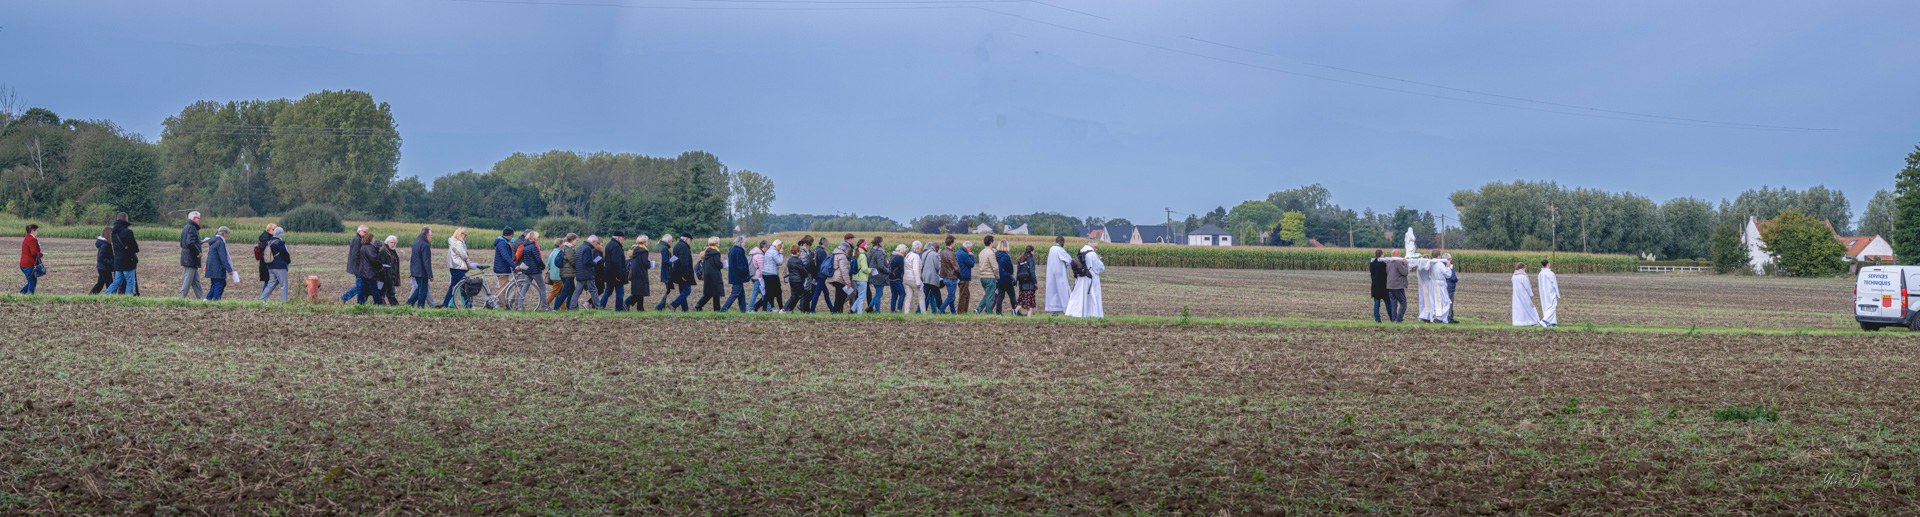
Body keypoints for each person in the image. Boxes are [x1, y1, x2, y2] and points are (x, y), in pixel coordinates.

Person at [1064, 240, 1106, 318]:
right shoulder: (1092, 254)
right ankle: (1093, 314)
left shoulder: (1081, 251)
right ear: (1094, 246)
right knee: (1092, 296)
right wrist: (1099, 260)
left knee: (1079, 296)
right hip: (1091, 278)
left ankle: (1075, 313)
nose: (1096, 249)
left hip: (1081, 277)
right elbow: (1100, 267)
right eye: (1096, 247)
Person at [106, 213, 141, 295]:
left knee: (116, 282)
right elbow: (135, 248)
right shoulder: (128, 232)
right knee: (130, 282)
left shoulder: (113, 233)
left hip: (118, 261)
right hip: (128, 262)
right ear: (126, 219)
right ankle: (128, 299)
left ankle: (106, 295)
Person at [338, 225, 371, 303]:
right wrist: (360, 268)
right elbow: (355, 255)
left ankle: (346, 299)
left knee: (362, 285)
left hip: (359, 267)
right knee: (360, 286)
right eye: (364, 232)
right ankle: (345, 299)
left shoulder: (360, 239)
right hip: (358, 268)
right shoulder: (357, 240)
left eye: (367, 232)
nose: (366, 234)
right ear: (359, 231)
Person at [259, 227, 291, 302]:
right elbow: (285, 254)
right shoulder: (279, 243)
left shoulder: (269, 242)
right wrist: (288, 261)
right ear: (281, 234)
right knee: (284, 285)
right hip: (280, 267)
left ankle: (262, 299)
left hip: (271, 267)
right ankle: (284, 301)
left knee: (271, 284)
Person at [442, 228, 471, 308]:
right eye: (465, 235)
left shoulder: (453, 242)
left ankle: (446, 304)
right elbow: (464, 255)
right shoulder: (458, 243)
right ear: (461, 234)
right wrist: (469, 264)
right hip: (459, 267)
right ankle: (468, 306)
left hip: (453, 267)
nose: (466, 237)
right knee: (464, 287)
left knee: (453, 287)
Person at [405, 227, 434, 308]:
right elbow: (426, 261)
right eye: (430, 235)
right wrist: (430, 275)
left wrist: (412, 272)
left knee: (419, 289)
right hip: (422, 272)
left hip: (416, 271)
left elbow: (412, 258)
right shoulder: (425, 245)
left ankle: (409, 304)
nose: (431, 237)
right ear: (426, 235)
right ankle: (420, 307)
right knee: (423, 291)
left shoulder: (416, 242)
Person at [1512, 262, 1548, 327]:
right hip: (1524, 295)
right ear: (1522, 268)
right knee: (1530, 308)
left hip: (1516, 295)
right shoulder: (1523, 276)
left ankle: (1518, 322)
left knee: (1519, 308)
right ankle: (1534, 321)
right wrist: (1531, 294)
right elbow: (1527, 286)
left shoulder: (1514, 276)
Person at [179, 211, 204, 299]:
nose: (199, 220)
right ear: (194, 218)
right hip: (191, 259)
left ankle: (201, 299)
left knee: (196, 281)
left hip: (188, 258)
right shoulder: (192, 228)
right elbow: (190, 243)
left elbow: (183, 243)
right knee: (187, 280)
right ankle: (181, 298)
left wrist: (198, 242)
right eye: (198, 218)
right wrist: (198, 252)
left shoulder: (186, 227)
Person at [600, 232, 629, 310]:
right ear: (618, 238)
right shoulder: (616, 246)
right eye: (622, 238)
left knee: (608, 291)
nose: (623, 240)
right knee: (620, 292)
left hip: (609, 273)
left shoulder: (609, 244)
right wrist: (618, 275)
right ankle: (619, 308)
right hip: (615, 274)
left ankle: (601, 306)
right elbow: (616, 262)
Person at [204, 226, 233, 301]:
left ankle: (208, 299)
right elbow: (223, 257)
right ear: (224, 233)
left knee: (217, 284)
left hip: (211, 267)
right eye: (227, 234)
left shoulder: (214, 241)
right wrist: (229, 269)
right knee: (219, 284)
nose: (228, 236)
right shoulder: (220, 242)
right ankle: (216, 301)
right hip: (217, 268)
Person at [722, 236, 751, 313]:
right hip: (738, 276)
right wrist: (746, 273)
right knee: (734, 294)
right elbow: (740, 265)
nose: (745, 244)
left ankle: (743, 311)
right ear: (740, 242)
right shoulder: (739, 251)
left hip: (734, 275)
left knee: (741, 295)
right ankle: (723, 310)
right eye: (744, 242)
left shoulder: (732, 249)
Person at [696, 237, 725, 311]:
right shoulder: (716, 252)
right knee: (716, 293)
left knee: (709, 293)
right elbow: (718, 265)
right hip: (715, 275)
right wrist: (723, 264)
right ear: (716, 243)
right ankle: (716, 309)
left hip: (708, 275)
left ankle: (699, 305)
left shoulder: (706, 251)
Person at [1045, 236, 1071, 315]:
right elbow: (1068, 259)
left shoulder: (1051, 249)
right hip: (1060, 274)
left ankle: (1054, 310)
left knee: (1053, 292)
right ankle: (1068, 310)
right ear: (1062, 241)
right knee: (1063, 292)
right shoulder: (1060, 250)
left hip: (1051, 274)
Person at [575, 234, 603, 309]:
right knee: (594, 290)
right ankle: (598, 306)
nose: (596, 245)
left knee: (577, 292)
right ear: (593, 241)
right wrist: (594, 263)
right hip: (587, 274)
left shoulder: (580, 247)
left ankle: (572, 306)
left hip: (580, 273)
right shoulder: (587, 248)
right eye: (596, 243)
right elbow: (586, 262)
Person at [351, 233, 380, 304]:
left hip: (363, 272)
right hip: (369, 272)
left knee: (362, 289)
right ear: (370, 239)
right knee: (374, 289)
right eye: (373, 238)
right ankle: (378, 303)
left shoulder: (363, 247)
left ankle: (360, 303)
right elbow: (374, 259)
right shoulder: (370, 247)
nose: (374, 239)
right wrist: (380, 265)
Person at [973, 236, 999, 314]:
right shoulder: (991, 253)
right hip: (990, 276)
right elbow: (995, 267)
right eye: (994, 241)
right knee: (990, 296)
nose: (994, 242)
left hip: (982, 277)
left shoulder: (981, 252)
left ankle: (978, 310)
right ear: (991, 242)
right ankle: (989, 312)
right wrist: (997, 276)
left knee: (987, 295)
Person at [669, 235, 694, 311]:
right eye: (690, 240)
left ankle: (685, 309)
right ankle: (673, 304)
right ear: (686, 239)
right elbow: (684, 262)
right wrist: (685, 275)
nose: (690, 242)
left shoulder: (677, 245)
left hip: (677, 272)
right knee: (687, 290)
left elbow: (675, 259)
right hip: (683, 273)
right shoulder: (684, 247)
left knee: (683, 291)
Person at [1384, 250, 1410, 323]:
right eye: (1399, 254)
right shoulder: (1398, 262)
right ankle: (1399, 319)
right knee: (1403, 302)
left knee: (1393, 304)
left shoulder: (1388, 262)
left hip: (1390, 285)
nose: (1400, 255)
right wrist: (1405, 264)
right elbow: (1405, 272)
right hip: (1397, 285)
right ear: (1397, 254)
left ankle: (1393, 319)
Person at [783, 242, 810, 313]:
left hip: (791, 280)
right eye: (799, 251)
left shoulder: (790, 260)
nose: (800, 253)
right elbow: (803, 270)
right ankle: (803, 311)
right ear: (797, 252)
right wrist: (806, 274)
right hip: (798, 280)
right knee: (803, 295)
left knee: (794, 296)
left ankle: (787, 309)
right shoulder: (798, 260)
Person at [866, 236, 889, 313]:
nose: (883, 243)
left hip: (872, 274)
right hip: (879, 276)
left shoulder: (871, 251)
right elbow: (881, 266)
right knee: (879, 294)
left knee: (878, 293)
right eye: (882, 241)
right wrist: (888, 271)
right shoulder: (880, 252)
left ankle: (878, 311)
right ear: (879, 243)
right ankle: (870, 307)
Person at [628, 235, 652, 311]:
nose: (648, 243)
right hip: (641, 273)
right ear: (644, 242)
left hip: (635, 272)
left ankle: (640, 307)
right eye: (647, 241)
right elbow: (645, 263)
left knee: (639, 291)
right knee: (640, 291)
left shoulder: (634, 249)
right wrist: (650, 264)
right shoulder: (644, 251)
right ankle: (626, 303)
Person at [826, 243, 852, 313]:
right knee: (840, 297)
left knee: (840, 296)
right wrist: (848, 282)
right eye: (847, 249)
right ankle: (835, 312)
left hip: (835, 278)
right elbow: (844, 270)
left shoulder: (835, 254)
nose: (848, 251)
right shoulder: (842, 256)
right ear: (845, 249)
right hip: (840, 278)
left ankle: (839, 312)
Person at [938, 236, 960, 314]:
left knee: (951, 296)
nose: (955, 244)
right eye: (954, 242)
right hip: (951, 277)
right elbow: (956, 267)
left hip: (945, 277)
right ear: (951, 243)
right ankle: (941, 310)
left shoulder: (943, 252)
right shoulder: (951, 253)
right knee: (951, 297)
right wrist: (960, 275)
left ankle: (953, 312)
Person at [654, 233, 676, 311]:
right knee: (668, 289)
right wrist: (674, 259)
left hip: (665, 272)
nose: (672, 242)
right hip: (667, 272)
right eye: (672, 241)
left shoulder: (663, 247)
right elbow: (666, 262)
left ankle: (661, 306)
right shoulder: (665, 249)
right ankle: (659, 306)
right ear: (669, 241)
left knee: (668, 289)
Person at [18, 224, 42, 295]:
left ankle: (20, 294)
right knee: (32, 281)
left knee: (31, 281)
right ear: (32, 230)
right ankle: (29, 297)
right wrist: (41, 254)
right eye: (36, 230)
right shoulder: (32, 239)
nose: (37, 232)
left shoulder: (27, 238)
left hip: (24, 264)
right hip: (28, 265)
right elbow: (34, 253)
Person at [993, 241, 1016, 315]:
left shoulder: (995, 255)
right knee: (1012, 295)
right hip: (1006, 278)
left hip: (998, 278)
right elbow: (1011, 269)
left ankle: (998, 312)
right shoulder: (1006, 256)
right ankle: (1015, 311)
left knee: (1000, 295)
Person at [902, 241, 925, 314]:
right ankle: (923, 313)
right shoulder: (916, 256)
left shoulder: (907, 255)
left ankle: (906, 312)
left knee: (908, 296)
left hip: (906, 278)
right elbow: (916, 269)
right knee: (921, 295)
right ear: (917, 247)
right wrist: (918, 282)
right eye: (920, 248)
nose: (920, 249)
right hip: (913, 279)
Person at [920, 242, 942, 314]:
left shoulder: (924, 253)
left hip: (925, 277)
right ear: (937, 248)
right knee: (937, 295)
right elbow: (937, 267)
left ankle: (921, 310)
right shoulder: (935, 254)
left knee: (924, 296)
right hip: (932, 278)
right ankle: (940, 310)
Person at [1015, 245, 1038, 316]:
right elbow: (1032, 272)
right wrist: (1035, 282)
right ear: (1031, 251)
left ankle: (1029, 317)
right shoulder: (1031, 259)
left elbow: (1018, 271)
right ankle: (1015, 311)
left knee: (1024, 300)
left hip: (1022, 283)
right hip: (1029, 283)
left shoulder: (1021, 258)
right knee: (1028, 301)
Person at [379, 235, 402, 305]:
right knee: (389, 292)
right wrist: (387, 274)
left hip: (390, 275)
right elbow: (382, 264)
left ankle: (379, 303)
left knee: (385, 292)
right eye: (391, 242)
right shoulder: (383, 250)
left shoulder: (391, 250)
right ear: (387, 242)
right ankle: (395, 305)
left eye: (394, 243)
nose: (393, 244)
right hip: (386, 276)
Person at [91, 226, 113, 294]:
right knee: (110, 283)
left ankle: (91, 295)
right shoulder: (105, 245)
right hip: (104, 268)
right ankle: (111, 296)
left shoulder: (104, 244)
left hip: (102, 267)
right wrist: (111, 262)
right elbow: (101, 258)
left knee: (100, 283)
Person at [492, 227, 516, 292]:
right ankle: (502, 302)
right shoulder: (502, 244)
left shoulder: (502, 242)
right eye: (512, 236)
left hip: (501, 268)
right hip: (502, 269)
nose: (512, 238)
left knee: (501, 287)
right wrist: (514, 266)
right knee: (502, 289)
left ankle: (499, 301)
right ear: (510, 235)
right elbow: (506, 256)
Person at [1368, 250, 1389, 323]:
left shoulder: (1372, 263)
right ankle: (1392, 318)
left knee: (1376, 304)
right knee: (1388, 303)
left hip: (1375, 285)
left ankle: (1377, 319)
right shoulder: (1383, 263)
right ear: (1382, 255)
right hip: (1383, 286)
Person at [1538, 259, 1560, 327]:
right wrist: (1558, 294)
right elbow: (1555, 284)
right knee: (1552, 306)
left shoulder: (1540, 273)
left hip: (1543, 293)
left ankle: (1552, 323)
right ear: (1547, 264)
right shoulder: (1550, 273)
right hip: (1550, 292)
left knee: (1546, 307)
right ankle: (1544, 320)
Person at [850, 242, 870, 314]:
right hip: (862, 278)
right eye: (866, 244)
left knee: (860, 296)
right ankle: (859, 313)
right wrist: (870, 270)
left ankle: (852, 309)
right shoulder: (863, 256)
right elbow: (864, 269)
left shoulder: (854, 254)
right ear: (863, 246)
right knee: (861, 297)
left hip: (855, 278)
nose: (867, 245)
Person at [955, 240, 975, 313]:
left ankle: (963, 311)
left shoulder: (958, 252)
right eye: (970, 248)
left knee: (965, 294)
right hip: (964, 277)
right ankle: (961, 312)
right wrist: (971, 255)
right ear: (968, 247)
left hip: (959, 277)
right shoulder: (964, 254)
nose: (971, 249)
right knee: (964, 295)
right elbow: (972, 264)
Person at [887, 244, 907, 313]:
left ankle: (892, 310)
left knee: (894, 295)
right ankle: (899, 309)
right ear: (902, 250)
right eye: (904, 250)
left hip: (890, 278)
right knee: (902, 294)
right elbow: (902, 268)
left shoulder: (892, 255)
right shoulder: (900, 257)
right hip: (897, 278)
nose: (905, 252)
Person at [747, 240, 766, 312]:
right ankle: (751, 309)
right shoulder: (760, 256)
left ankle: (769, 308)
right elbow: (762, 268)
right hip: (759, 277)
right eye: (767, 247)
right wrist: (765, 277)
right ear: (763, 247)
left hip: (754, 276)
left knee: (763, 294)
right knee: (756, 293)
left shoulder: (754, 254)